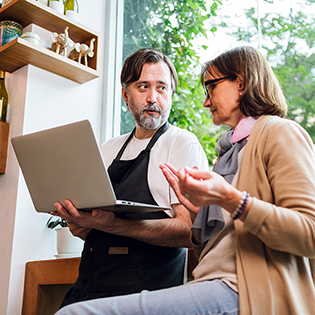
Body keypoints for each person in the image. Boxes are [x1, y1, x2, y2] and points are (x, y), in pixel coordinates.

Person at [55, 45, 315, 315]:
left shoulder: (280, 132)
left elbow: (310, 232)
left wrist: (229, 199)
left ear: (241, 83)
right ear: (125, 94)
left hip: (246, 290)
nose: (205, 101)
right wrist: (200, 217)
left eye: (211, 87)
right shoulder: (229, 152)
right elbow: (212, 241)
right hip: (209, 281)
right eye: (143, 87)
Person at [52, 48, 209, 307]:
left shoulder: (181, 144)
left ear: (171, 95)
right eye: (143, 87)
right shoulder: (108, 148)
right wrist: (78, 223)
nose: (152, 98)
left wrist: (115, 225)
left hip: (145, 295)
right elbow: (90, 230)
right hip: (88, 287)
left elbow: (188, 231)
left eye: (161, 88)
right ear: (126, 94)